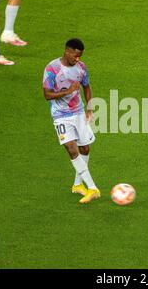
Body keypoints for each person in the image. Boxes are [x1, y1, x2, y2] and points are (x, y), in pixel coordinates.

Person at [43, 38, 100, 204]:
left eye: (80, 56)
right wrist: (68, 91)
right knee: (72, 149)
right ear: (67, 52)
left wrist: (90, 108)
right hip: (61, 115)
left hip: (79, 112)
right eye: (75, 56)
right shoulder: (52, 69)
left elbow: (87, 86)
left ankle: (77, 185)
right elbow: (47, 95)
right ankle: (92, 188)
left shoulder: (81, 68)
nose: (78, 59)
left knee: (85, 148)